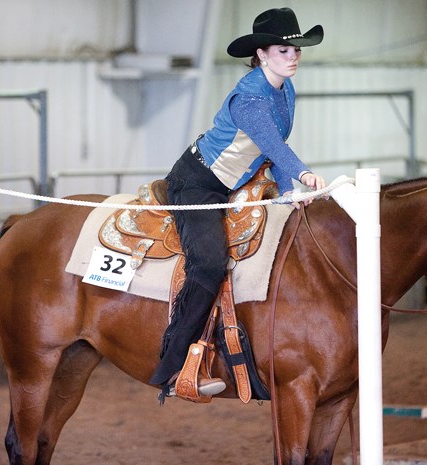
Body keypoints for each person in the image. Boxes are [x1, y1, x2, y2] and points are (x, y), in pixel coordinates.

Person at [149, 7, 326, 398]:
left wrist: (288, 189)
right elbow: (276, 146)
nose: (293, 57)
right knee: (209, 263)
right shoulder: (249, 96)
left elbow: (270, 153)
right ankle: (173, 366)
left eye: (296, 51)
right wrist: (304, 173)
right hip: (197, 184)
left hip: (235, 181)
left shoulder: (285, 89)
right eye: (284, 50)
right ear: (261, 54)